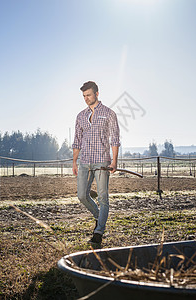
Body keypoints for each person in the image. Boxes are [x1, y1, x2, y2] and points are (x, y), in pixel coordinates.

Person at [72, 81, 121, 245]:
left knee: (103, 197)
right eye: (84, 96)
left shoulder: (109, 113)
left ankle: (98, 232)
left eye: (89, 95)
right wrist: (74, 162)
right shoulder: (80, 116)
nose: (86, 98)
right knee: (82, 195)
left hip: (101, 161)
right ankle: (99, 217)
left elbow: (115, 139)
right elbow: (77, 140)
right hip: (84, 161)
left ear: (97, 94)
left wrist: (114, 161)